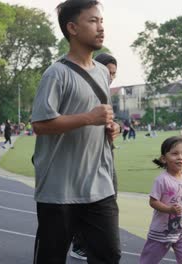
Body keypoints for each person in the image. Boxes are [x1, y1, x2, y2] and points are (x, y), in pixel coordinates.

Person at [31, 1, 121, 263]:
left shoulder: (104, 73)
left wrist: (110, 127)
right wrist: (88, 118)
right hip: (60, 190)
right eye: (93, 21)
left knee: (108, 257)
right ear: (72, 28)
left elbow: (100, 118)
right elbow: (40, 125)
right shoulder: (56, 74)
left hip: (99, 186)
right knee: (51, 258)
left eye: (101, 21)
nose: (101, 27)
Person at [69, 52, 119, 260]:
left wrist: (113, 128)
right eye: (108, 72)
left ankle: (87, 243)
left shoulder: (105, 92)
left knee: (109, 196)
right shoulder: (78, 89)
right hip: (78, 161)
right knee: (81, 203)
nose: (111, 77)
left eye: (114, 74)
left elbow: (106, 125)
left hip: (104, 158)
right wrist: (89, 118)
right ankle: (79, 243)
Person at [139, 136, 182, 264]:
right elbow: (153, 201)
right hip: (162, 232)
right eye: (175, 154)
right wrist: (169, 209)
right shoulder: (162, 180)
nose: (180, 157)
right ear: (164, 158)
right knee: (148, 261)